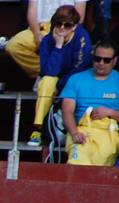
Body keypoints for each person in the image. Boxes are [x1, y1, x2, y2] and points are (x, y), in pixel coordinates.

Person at [60, 40, 119, 165]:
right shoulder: (76, 79)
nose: (101, 63)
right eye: (97, 59)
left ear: (114, 61)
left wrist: (110, 112)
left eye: (106, 60)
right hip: (81, 130)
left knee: (99, 165)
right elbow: (67, 111)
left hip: (109, 133)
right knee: (76, 162)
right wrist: (74, 133)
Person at [28, 5, 92, 148]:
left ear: (74, 26)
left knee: (66, 82)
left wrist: (61, 85)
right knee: (46, 82)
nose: (62, 28)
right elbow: (48, 71)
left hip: (76, 79)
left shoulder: (82, 38)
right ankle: (37, 128)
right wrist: (58, 46)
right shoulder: (48, 41)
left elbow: (79, 68)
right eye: (59, 24)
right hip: (55, 78)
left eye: (67, 25)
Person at [6, 0, 85, 84]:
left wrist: (63, 30)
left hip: (64, 27)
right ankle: (44, 73)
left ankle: (54, 74)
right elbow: (31, 13)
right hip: (39, 27)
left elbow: (79, 18)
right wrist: (37, 34)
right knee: (13, 46)